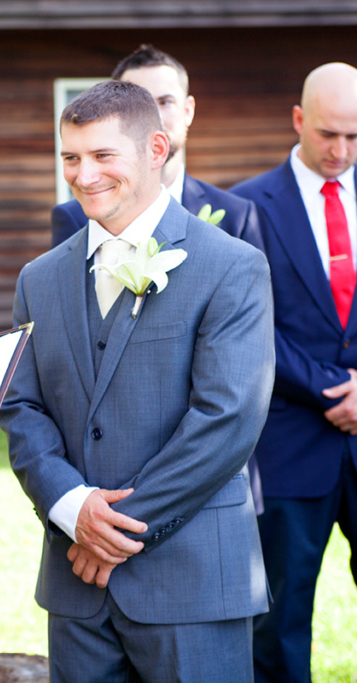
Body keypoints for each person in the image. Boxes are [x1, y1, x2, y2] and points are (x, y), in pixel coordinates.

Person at [0, 80, 273, 682]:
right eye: (70, 157)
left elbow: (227, 419)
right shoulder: (37, 279)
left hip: (193, 578)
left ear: (155, 149)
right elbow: (21, 407)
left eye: (103, 156)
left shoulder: (231, 266)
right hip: (77, 589)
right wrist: (72, 508)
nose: (83, 174)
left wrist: (111, 532)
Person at [231, 62, 357, 683]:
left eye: (355, 138)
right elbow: (250, 327)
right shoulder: (245, 207)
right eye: (329, 134)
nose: (340, 151)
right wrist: (333, 391)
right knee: (279, 621)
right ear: (299, 119)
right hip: (287, 445)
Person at [51, 45, 262, 251]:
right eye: (137, 106)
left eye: (164, 102)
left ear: (188, 110)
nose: (154, 117)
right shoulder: (75, 217)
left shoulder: (237, 215)